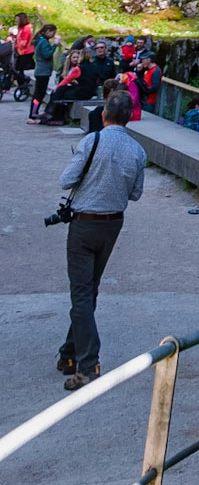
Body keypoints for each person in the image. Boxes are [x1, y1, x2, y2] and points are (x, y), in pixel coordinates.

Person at [56, 83, 146, 389]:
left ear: (104, 113)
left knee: (81, 293)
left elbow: (66, 180)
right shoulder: (138, 150)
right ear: (129, 118)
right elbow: (135, 194)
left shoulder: (91, 141)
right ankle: (69, 353)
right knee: (89, 289)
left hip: (83, 224)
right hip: (113, 224)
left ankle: (87, 365)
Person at [37, 48, 85, 124]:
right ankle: (52, 116)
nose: (75, 59)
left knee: (60, 92)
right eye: (74, 57)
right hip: (65, 87)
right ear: (70, 58)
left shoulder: (79, 68)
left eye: (77, 57)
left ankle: (50, 112)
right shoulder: (66, 68)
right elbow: (62, 79)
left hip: (74, 87)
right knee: (57, 93)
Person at [29, 24, 59, 119]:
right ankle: (33, 113)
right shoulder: (43, 42)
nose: (54, 35)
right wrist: (54, 45)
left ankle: (34, 112)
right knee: (39, 94)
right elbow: (47, 54)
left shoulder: (40, 40)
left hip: (41, 71)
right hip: (43, 72)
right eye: (53, 33)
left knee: (39, 93)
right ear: (48, 31)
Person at [12, 15, 34, 101]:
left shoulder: (26, 29)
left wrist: (17, 43)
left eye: (17, 20)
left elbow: (23, 43)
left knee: (20, 70)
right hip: (21, 52)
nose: (16, 22)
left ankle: (23, 87)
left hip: (26, 52)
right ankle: (22, 86)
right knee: (18, 69)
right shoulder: (21, 28)